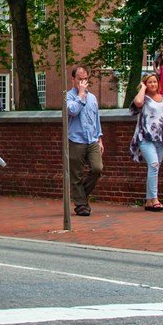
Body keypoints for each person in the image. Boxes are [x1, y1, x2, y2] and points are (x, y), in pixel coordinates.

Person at [129, 73, 163, 211]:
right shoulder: (143, 99)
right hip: (145, 136)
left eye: (155, 82)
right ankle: (155, 199)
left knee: (154, 167)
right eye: (150, 82)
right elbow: (137, 103)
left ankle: (149, 200)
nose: (153, 84)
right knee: (154, 165)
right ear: (145, 84)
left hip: (161, 137)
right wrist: (142, 88)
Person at [67, 65, 104, 216]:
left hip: (92, 139)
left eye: (85, 79)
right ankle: (81, 205)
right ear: (73, 80)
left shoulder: (93, 98)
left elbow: (96, 119)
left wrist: (100, 138)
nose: (82, 82)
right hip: (76, 139)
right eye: (79, 79)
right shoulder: (69, 96)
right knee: (76, 174)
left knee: (97, 168)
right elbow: (73, 111)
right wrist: (80, 95)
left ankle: (80, 195)